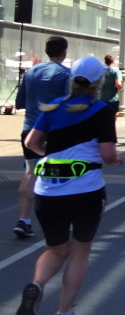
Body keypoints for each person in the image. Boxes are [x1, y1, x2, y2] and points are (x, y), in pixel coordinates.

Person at [16, 56, 123, 315]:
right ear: (99, 81)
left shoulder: (53, 107)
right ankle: (63, 314)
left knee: (55, 249)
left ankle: (37, 284)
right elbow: (107, 154)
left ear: (72, 79)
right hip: (85, 190)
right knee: (80, 249)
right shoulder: (101, 110)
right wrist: (115, 158)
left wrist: (52, 155)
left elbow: (31, 142)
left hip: (47, 191)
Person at [13, 36, 70, 239]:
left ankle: (24, 219)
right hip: (53, 130)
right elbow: (68, 104)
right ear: (64, 53)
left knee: (31, 172)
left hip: (30, 129)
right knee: (60, 173)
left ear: (47, 51)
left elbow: (20, 101)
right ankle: (57, 220)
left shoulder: (31, 72)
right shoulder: (66, 74)